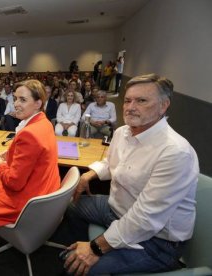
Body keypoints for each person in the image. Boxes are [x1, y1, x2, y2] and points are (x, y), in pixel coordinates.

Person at [62, 74, 199, 275]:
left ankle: (86, 253)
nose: (130, 107)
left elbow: (145, 219)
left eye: (141, 100)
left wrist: (95, 248)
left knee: (84, 270)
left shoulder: (175, 152)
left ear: (163, 106)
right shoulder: (122, 132)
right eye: (127, 100)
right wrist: (89, 174)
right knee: (70, 202)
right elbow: (112, 163)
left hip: (157, 240)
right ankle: (79, 245)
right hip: (117, 210)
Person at [0, 79, 60, 247]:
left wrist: (1, 164)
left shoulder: (29, 134)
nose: (16, 104)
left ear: (38, 103)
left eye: (23, 100)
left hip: (29, 200)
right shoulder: (44, 122)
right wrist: (12, 152)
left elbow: (15, 183)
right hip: (46, 188)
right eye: (15, 98)